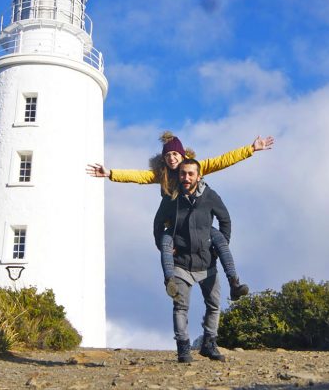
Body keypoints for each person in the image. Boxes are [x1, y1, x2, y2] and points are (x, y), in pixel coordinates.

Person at [87, 132, 273, 300]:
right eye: (167, 155)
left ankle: (234, 283)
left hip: (199, 223)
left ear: (182, 154)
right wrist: (110, 173)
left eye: (175, 154)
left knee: (220, 239)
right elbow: (139, 176)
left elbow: (222, 160)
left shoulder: (195, 168)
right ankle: (170, 282)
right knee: (165, 243)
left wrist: (251, 149)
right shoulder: (163, 175)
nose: (171, 158)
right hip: (175, 225)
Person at [153, 158, 231, 363]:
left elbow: (225, 220)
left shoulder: (210, 196)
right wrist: (164, 246)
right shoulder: (171, 198)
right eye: (182, 173)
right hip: (180, 263)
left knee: (214, 305)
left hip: (207, 262)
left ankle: (209, 344)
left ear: (198, 175)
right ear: (178, 175)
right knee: (180, 307)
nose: (186, 178)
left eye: (190, 174)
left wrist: (220, 245)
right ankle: (183, 349)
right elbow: (158, 224)